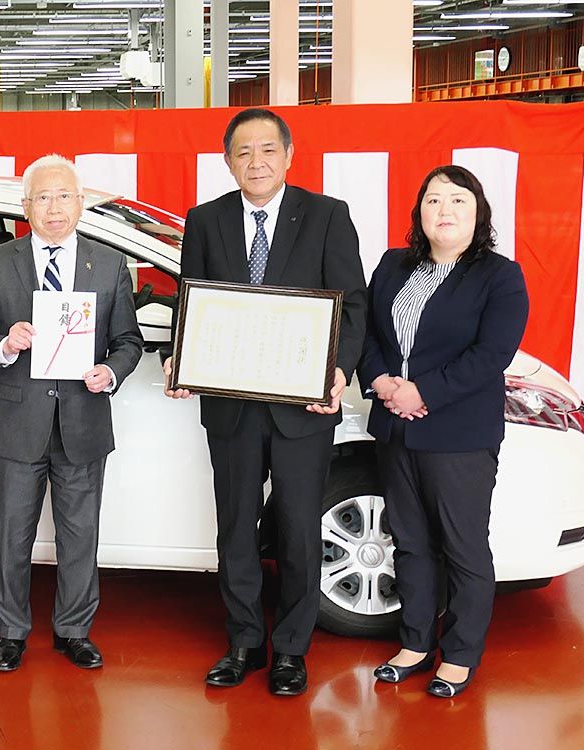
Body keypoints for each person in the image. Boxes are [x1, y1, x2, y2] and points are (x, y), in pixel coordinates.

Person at [164, 109, 367, 696]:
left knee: (299, 528)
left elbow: (352, 303)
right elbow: (190, 301)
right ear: (228, 161)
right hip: (231, 405)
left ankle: (292, 650)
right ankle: (245, 642)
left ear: (289, 155)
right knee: (235, 526)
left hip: (303, 405)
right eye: (244, 152)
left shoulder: (327, 215)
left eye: (268, 150)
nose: (256, 162)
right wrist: (181, 355)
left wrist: (338, 370)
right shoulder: (205, 220)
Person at [0, 154, 143, 672]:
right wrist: (5, 343)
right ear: (26, 207)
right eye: (43, 197)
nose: (55, 207)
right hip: (17, 423)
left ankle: (74, 630)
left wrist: (110, 371)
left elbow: (128, 341)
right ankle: (10, 632)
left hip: (83, 420)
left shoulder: (109, 264)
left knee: (80, 536)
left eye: (64, 196)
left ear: (81, 203)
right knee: (12, 536)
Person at [363, 165, 528, 698]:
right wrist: (381, 381)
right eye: (434, 200)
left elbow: (491, 355)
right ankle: (415, 643)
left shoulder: (499, 276)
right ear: (420, 212)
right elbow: (366, 332)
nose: (445, 210)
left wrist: (423, 392)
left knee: (463, 547)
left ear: (478, 213)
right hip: (395, 428)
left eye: (458, 200)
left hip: (458, 435)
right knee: (409, 542)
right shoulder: (393, 264)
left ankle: (459, 655)